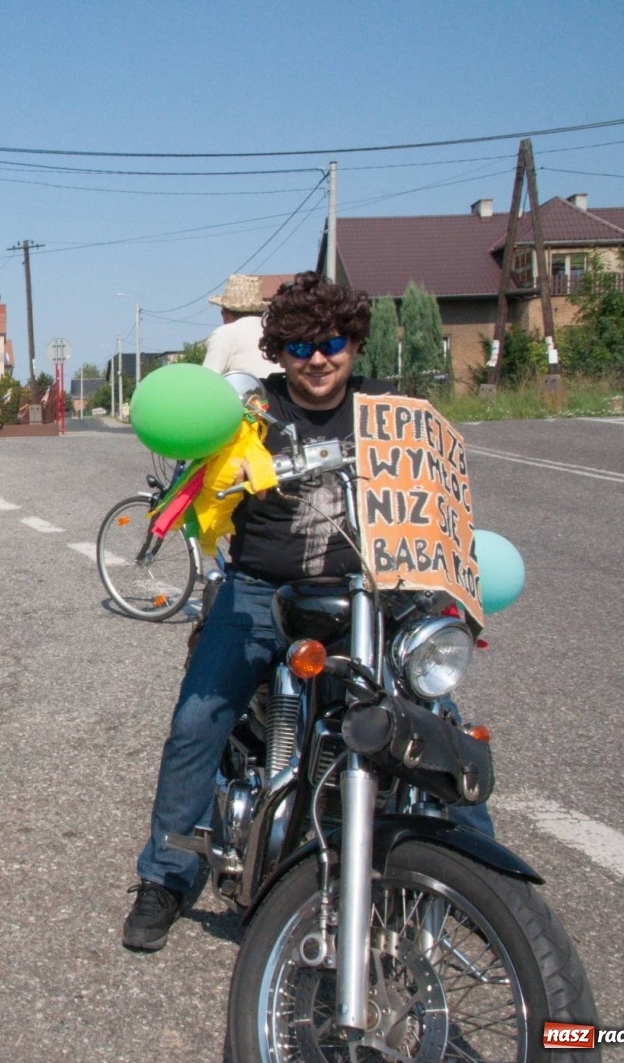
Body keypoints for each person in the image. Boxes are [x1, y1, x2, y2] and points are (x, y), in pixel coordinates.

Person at [123, 271, 492, 953]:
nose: (317, 358)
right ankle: (166, 874)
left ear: (353, 343)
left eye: (331, 342)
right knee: (197, 720)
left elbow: (440, 503)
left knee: (435, 719)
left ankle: (477, 873)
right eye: (298, 346)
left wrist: (450, 590)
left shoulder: (392, 412)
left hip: (375, 594)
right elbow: (186, 438)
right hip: (262, 589)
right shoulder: (250, 410)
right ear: (277, 350)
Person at [201, 273, 278, 380]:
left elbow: (208, 379)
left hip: (250, 394)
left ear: (225, 314)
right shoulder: (275, 331)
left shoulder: (224, 334)